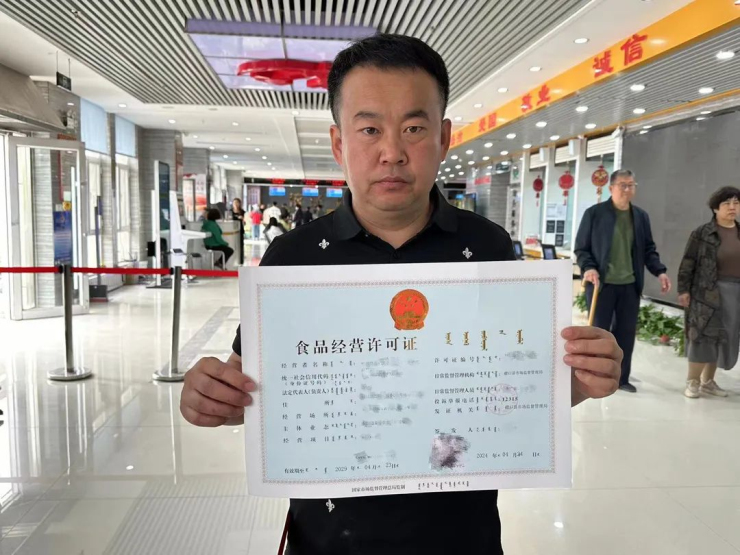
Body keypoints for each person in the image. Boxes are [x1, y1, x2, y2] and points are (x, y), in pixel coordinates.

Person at [181, 33, 622, 555]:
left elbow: (513, 392)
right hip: (328, 540)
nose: (392, 152)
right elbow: (248, 389)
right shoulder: (292, 259)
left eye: (414, 128)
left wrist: (579, 383)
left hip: (460, 536)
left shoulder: (488, 247)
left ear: (444, 137)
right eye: (369, 129)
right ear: (339, 144)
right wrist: (212, 397)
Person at [575, 169, 671, 393]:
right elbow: (581, 248)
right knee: (599, 332)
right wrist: (589, 267)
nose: (627, 189)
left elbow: (648, 250)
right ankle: (594, 374)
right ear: (611, 188)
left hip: (629, 285)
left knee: (626, 334)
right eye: (623, 185)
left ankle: (621, 378)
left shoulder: (640, 216)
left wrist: (660, 271)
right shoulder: (594, 214)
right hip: (602, 285)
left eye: (631, 185)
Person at [678, 186, 740, 398]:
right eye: (726, 203)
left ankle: (708, 382)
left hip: (734, 294)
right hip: (706, 294)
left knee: (721, 337)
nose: (732, 207)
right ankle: (693, 381)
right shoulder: (703, 233)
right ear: (715, 208)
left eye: (736, 203)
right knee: (703, 337)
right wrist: (683, 289)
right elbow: (688, 262)